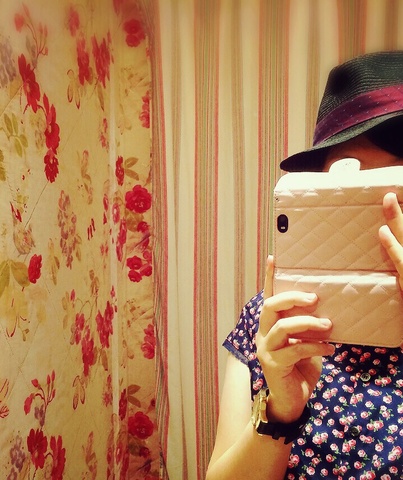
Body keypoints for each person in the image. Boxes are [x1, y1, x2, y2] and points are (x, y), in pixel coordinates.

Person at [206, 50, 403, 480]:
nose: (377, 211)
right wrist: (280, 412)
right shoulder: (274, 318)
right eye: (350, 187)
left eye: (394, 185)